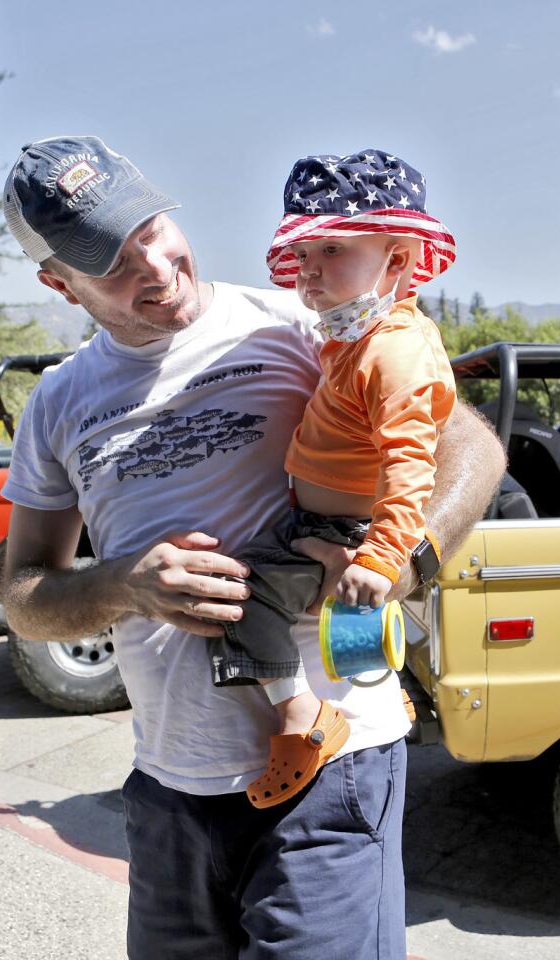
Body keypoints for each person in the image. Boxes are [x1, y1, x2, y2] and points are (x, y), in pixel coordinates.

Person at [0, 136, 503, 959]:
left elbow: (470, 449)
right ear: (59, 283)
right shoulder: (57, 405)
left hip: (334, 776)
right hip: (169, 791)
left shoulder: (305, 324)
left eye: (151, 230)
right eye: (114, 263)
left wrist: (397, 567)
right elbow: (24, 597)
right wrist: (125, 583)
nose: (155, 266)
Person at [214, 150, 457, 809]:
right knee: (339, 622)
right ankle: (383, 682)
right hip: (322, 521)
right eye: (306, 256)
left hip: (346, 527)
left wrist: (380, 556)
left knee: (238, 600)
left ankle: (302, 717)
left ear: (399, 260)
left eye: (335, 252)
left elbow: (411, 469)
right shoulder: (352, 336)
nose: (312, 273)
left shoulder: (395, 351)